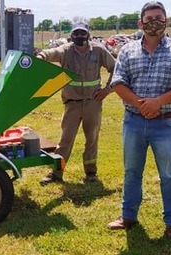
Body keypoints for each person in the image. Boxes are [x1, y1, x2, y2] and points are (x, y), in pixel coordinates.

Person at [107, 1, 171, 240]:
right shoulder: (127, 50)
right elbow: (118, 82)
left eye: (159, 18)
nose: (154, 22)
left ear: (166, 22)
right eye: (149, 19)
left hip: (165, 124)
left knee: (168, 174)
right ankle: (128, 216)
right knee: (131, 171)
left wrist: (158, 102)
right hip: (134, 121)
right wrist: (141, 104)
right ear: (140, 23)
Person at [35, 21, 116, 184]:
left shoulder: (98, 50)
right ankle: (56, 174)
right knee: (65, 139)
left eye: (83, 33)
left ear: (88, 34)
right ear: (71, 35)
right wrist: (40, 57)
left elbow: (116, 68)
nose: (80, 36)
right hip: (72, 103)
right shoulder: (65, 51)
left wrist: (107, 89)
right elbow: (51, 53)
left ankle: (91, 173)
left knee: (92, 139)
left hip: (92, 103)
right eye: (76, 33)